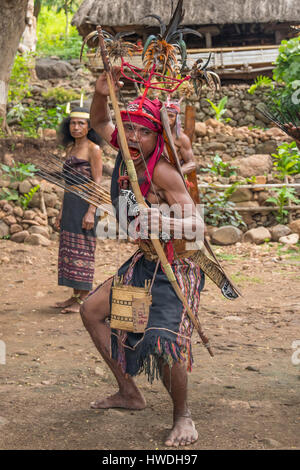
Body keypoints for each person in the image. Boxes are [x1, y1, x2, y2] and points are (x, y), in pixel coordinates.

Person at [79, 69, 205, 447]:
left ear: (157, 136)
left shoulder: (163, 171)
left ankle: (183, 417)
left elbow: (196, 226)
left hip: (175, 266)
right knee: (92, 311)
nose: (133, 137)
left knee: (163, 341)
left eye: (144, 132)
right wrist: (101, 93)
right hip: (146, 261)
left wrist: (163, 218)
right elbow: (100, 121)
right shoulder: (127, 150)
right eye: (129, 130)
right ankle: (129, 392)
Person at [54, 107, 103, 313]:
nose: (76, 127)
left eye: (81, 123)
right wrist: (60, 211)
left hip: (85, 204)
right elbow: (67, 184)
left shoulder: (94, 149)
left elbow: (98, 182)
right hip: (70, 202)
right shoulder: (70, 149)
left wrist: (91, 210)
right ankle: (74, 296)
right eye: (73, 123)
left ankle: (83, 299)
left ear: (89, 127)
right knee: (69, 248)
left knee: (83, 248)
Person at [165, 99, 196, 176]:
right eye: (164, 115)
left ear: (177, 119)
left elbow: (191, 163)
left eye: (171, 116)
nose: (167, 119)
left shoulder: (181, 138)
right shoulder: (154, 134)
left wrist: (175, 174)